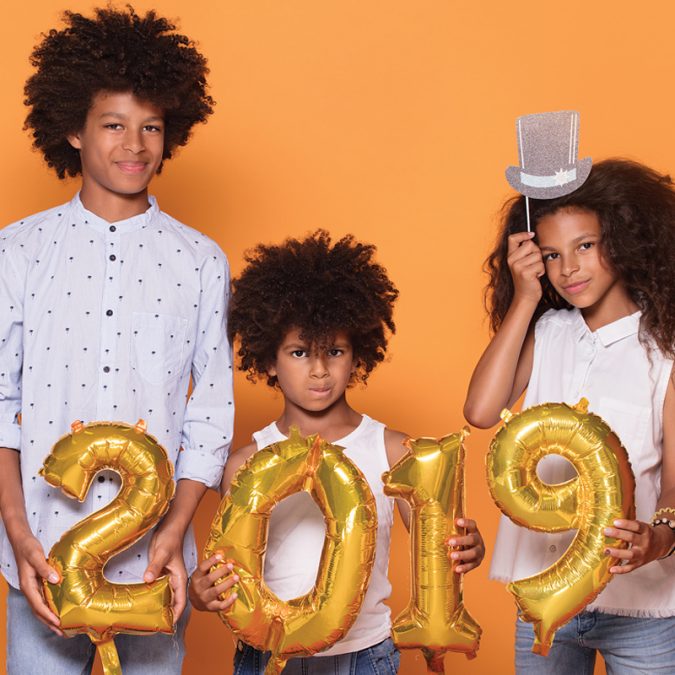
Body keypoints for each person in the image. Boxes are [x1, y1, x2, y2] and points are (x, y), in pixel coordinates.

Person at [0, 7, 233, 673]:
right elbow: (0, 401)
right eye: (113, 124)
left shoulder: (199, 259)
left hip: (153, 574)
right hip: (41, 562)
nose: (135, 144)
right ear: (71, 128)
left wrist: (174, 528)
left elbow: (210, 410)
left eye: (151, 126)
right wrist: (17, 533)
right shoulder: (16, 252)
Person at [189, 231, 485, 674]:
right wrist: (201, 592)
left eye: (334, 351)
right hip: (268, 656)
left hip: (364, 656)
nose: (320, 369)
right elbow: (224, 572)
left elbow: (437, 552)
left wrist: (468, 548)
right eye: (299, 352)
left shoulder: (393, 450)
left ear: (357, 354)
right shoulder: (245, 463)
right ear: (268, 360)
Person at [464, 158, 675, 673]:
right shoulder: (548, 332)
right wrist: (525, 297)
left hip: (644, 607)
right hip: (544, 602)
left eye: (585, 246)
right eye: (553, 254)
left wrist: (660, 537)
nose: (569, 269)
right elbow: (480, 410)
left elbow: (672, 479)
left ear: (623, 241)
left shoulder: (663, 349)